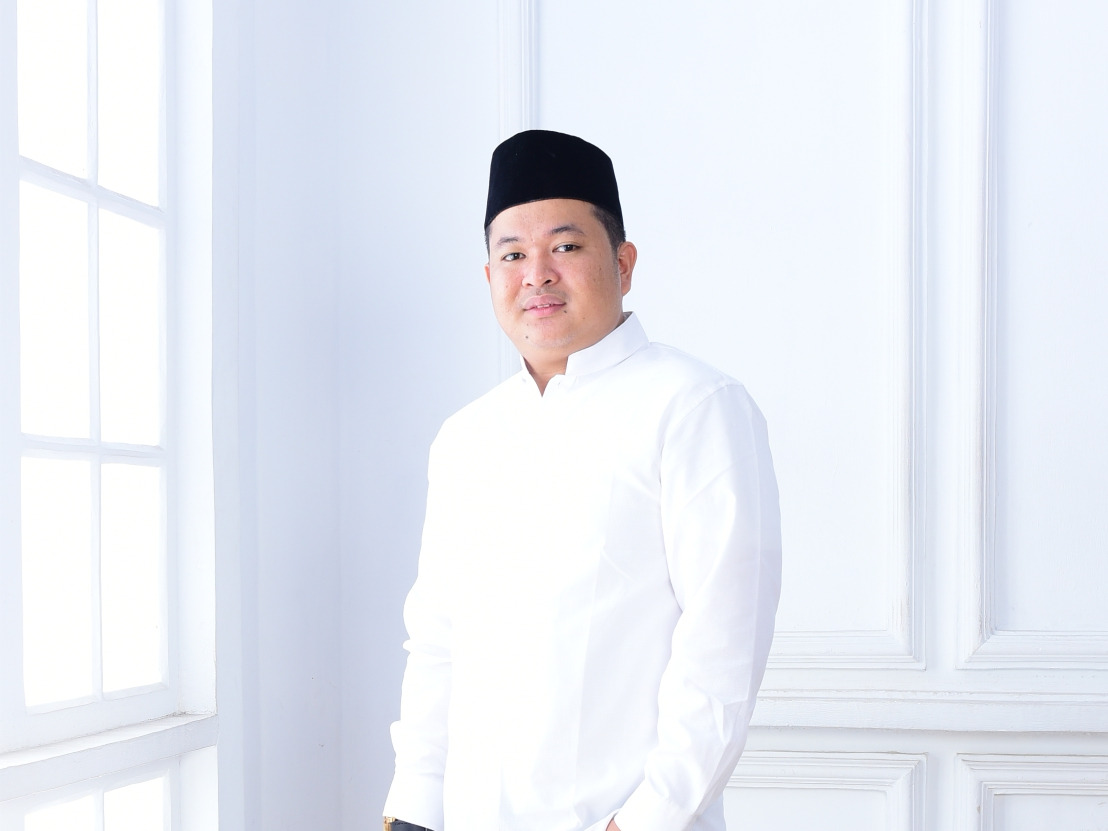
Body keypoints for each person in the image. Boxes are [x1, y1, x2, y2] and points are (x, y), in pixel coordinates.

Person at [382, 130, 781, 831]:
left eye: (565, 246)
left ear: (623, 263)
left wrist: (643, 822)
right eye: (513, 254)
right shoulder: (467, 437)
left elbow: (721, 651)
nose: (536, 275)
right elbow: (437, 640)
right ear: (489, 277)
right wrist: (412, 809)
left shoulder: (694, 408)